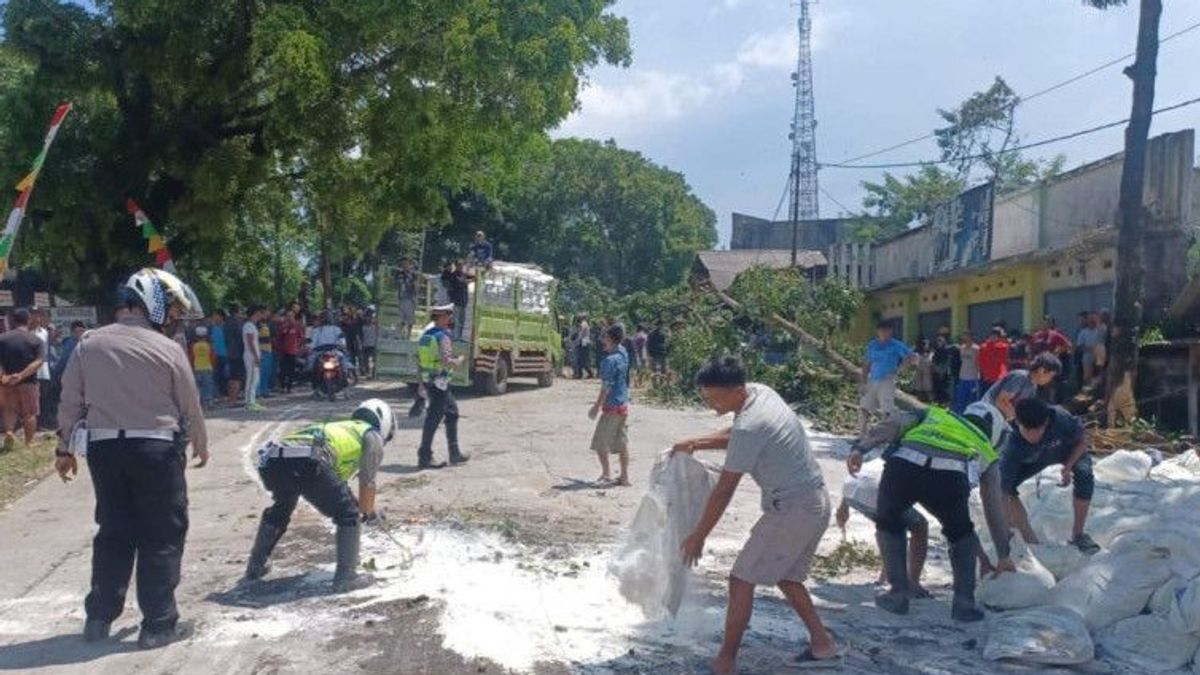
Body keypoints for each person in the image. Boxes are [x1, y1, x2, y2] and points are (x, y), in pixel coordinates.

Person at [55, 267, 208, 649]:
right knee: (161, 534)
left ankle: (99, 618)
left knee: (113, 531)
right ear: (151, 303)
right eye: (170, 307)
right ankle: (157, 624)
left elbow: (70, 401)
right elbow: (189, 403)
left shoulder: (88, 343)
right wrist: (200, 442)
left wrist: (63, 449)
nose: (172, 316)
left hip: (104, 451)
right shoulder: (168, 348)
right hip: (155, 449)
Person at [671, 357, 840, 672]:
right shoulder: (761, 393)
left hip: (793, 510)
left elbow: (724, 489)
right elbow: (738, 434)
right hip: (814, 500)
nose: (710, 404)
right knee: (787, 577)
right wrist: (696, 442)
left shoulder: (751, 424)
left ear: (736, 392)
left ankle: (726, 661)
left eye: (713, 398)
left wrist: (698, 536)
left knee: (740, 579)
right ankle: (823, 644)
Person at [848, 405, 1016, 622]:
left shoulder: (934, 414)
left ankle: (897, 594)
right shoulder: (986, 449)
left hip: (903, 468)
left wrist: (861, 448)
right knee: (961, 534)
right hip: (949, 479)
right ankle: (964, 605)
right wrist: (1003, 554)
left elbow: (893, 424)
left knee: (889, 524)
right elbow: (993, 507)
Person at [243, 399, 394, 592]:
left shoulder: (341, 428)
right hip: (308, 462)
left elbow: (337, 489)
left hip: (272, 461)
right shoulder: (371, 435)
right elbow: (367, 484)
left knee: (282, 508)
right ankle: (346, 577)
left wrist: (363, 508)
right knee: (348, 515)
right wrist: (368, 512)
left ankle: (255, 565)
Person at [1001, 398, 1100, 554]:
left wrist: (1067, 468)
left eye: (1038, 429)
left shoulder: (1060, 418)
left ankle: (1079, 534)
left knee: (1085, 474)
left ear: (1046, 422)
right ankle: (1029, 539)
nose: (1033, 436)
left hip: (1065, 450)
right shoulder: (1011, 442)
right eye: (1027, 430)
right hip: (1030, 461)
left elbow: (1082, 441)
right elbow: (1003, 491)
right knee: (1005, 486)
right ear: (1018, 422)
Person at [416, 304, 470, 469]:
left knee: (452, 413)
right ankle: (425, 456)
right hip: (440, 384)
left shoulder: (426, 335)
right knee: (433, 419)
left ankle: (454, 453)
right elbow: (447, 361)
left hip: (431, 381)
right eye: (448, 316)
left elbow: (419, 360)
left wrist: (420, 383)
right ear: (441, 318)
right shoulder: (443, 337)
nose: (450, 318)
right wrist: (459, 360)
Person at [589, 323, 631, 486]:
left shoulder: (609, 361)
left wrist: (596, 406)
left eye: (605, 337)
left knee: (601, 443)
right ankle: (625, 477)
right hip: (623, 405)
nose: (602, 341)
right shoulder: (623, 353)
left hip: (611, 407)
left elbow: (606, 387)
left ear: (610, 339)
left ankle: (606, 475)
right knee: (622, 443)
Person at [0, 307, 46, 450]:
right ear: (28, 320)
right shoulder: (35, 340)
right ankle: (29, 442)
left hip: (6, 382)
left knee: (9, 410)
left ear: (12, 321)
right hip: (28, 383)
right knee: (29, 412)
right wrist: (21, 375)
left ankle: (8, 432)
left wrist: (4, 377)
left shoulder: (2, 338)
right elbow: (38, 362)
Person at [858, 320, 913, 435]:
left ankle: (882, 435)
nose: (884, 333)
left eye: (887, 330)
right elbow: (867, 363)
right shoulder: (873, 344)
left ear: (891, 331)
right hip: (872, 379)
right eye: (881, 330)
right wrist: (863, 382)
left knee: (886, 409)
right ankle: (862, 434)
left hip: (887, 379)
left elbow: (909, 357)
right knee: (864, 406)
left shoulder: (896, 345)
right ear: (878, 331)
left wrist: (899, 371)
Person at [981, 353, 1062, 423]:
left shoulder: (1033, 385)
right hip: (986, 415)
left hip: (999, 419)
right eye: (1051, 375)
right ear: (1041, 370)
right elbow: (1001, 401)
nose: (1050, 379)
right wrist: (1019, 422)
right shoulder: (1020, 377)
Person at [243, 305, 266, 412]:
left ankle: (252, 401)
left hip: (253, 355)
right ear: (254, 313)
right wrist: (256, 356)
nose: (260, 315)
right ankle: (249, 402)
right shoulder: (248, 325)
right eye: (259, 313)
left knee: (255, 379)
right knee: (251, 379)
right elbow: (250, 342)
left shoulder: (252, 325)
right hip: (251, 355)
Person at [441, 261, 472, 340]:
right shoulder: (453, 275)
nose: (460, 266)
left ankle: (460, 336)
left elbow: (473, 277)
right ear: (456, 266)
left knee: (462, 320)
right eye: (459, 265)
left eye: (462, 265)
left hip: (463, 301)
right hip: (455, 300)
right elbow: (459, 283)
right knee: (455, 319)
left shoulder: (464, 275)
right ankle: (453, 336)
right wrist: (467, 281)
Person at [953, 330, 982, 413]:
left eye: (966, 335)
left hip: (973, 378)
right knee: (960, 400)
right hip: (963, 377)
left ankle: (972, 415)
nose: (964, 337)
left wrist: (977, 376)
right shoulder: (961, 348)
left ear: (970, 337)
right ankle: (960, 416)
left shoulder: (976, 349)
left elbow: (978, 363)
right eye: (963, 336)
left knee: (973, 400)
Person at [277, 303, 303, 394]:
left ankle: (289, 387)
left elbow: (300, 337)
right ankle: (282, 386)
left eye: (291, 316)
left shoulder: (297, 325)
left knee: (291, 370)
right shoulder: (283, 325)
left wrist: (298, 346)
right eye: (287, 316)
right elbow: (279, 336)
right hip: (283, 351)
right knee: (283, 370)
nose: (289, 317)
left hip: (293, 351)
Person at [190, 325, 217, 408]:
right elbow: (213, 357)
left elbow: (191, 358)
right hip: (208, 368)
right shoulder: (209, 346)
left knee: (199, 387)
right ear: (206, 336)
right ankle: (209, 403)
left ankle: (200, 404)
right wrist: (213, 366)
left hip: (197, 368)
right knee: (208, 386)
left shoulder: (193, 346)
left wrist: (192, 367)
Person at [978, 326, 1010, 393]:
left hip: (990, 377)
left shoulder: (983, 346)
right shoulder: (1003, 347)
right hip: (995, 377)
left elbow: (980, 363)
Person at [394, 258, 419, 340]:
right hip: (401, 297)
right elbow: (396, 283)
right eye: (403, 264)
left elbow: (416, 285)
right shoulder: (399, 274)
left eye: (406, 263)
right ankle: (400, 334)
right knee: (401, 317)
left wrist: (415, 296)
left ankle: (408, 335)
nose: (405, 265)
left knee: (410, 318)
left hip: (410, 298)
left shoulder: (413, 274)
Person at [224, 307, 245, 403]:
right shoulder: (237, 324)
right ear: (236, 313)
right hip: (237, 353)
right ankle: (234, 399)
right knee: (237, 377)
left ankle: (230, 397)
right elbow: (241, 338)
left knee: (231, 377)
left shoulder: (226, 324)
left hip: (229, 352)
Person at [209, 310, 228, 400]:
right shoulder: (213, 328)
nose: (214, 318)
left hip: (226, 354)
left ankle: (225, 393)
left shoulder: (226, 327)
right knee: (216, 375)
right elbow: (212, 342)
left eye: (215, 315)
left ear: (221, 316)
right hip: (215, 355)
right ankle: (218, 394)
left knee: (225, 374)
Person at [257, 313, 275, 399]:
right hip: (263, 351)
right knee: (262, 373)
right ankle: (260, 391)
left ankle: (264, 390)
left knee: (266, 373)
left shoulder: (265, 327)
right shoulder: (261, 328)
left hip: (267, 351)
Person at [571, 315, 593, 379]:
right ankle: (582, 373)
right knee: (582, 359)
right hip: (584, 342)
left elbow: (581, 334)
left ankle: (583, 373)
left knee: (581, 359)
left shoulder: (583, 324)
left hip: (583, 343)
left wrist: (577, 341)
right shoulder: (585, 324)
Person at [913, 338, 934, 403]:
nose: (926, 345)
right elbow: (915, 363)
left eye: (928, 344)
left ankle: (931, 401)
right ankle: (919, 401)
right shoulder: (917, 353)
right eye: (925, 344)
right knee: (919, 386)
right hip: (919, 371)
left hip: (927, 371)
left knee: (928, 386)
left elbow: (931, 361)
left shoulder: (931, 353)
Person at [360, 308, 378, 380]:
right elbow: (361, 337)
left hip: (373, 345)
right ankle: (368, 373)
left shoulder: (375, 326)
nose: (369, 318)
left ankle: (373, 373)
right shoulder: (363, 327)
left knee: (374, 360)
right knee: (366, 361)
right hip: (366, 345)